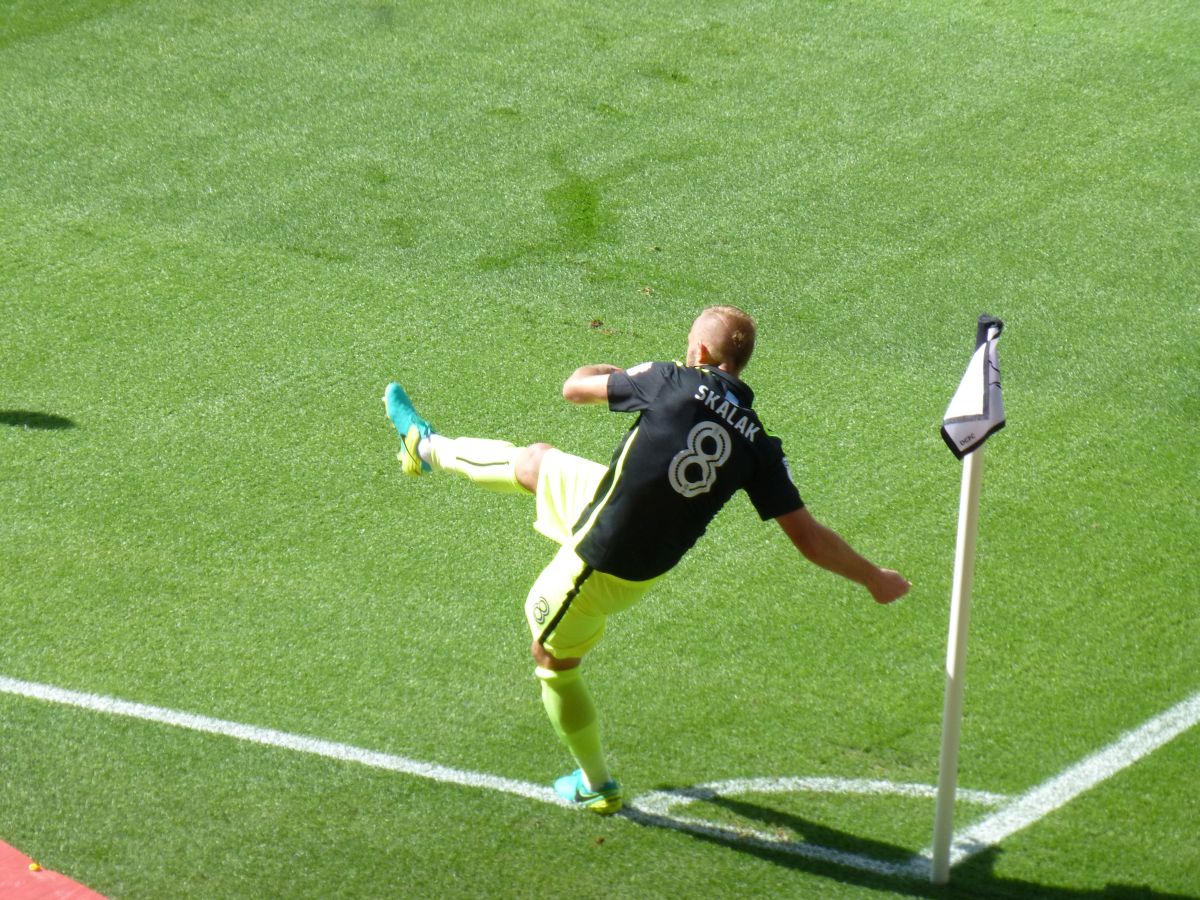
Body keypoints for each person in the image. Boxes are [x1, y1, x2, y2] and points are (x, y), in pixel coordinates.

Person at [383, 305, 910, 815]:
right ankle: (423, 447)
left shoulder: (668, 379)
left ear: (700, 349)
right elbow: (809, 537)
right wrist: (873, 577)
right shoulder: (759, 444)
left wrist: (621, 371)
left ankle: (596, 784)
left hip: (600, 561)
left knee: (552, 660)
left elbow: (574, 387)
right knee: (538, 462)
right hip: (630, 530)